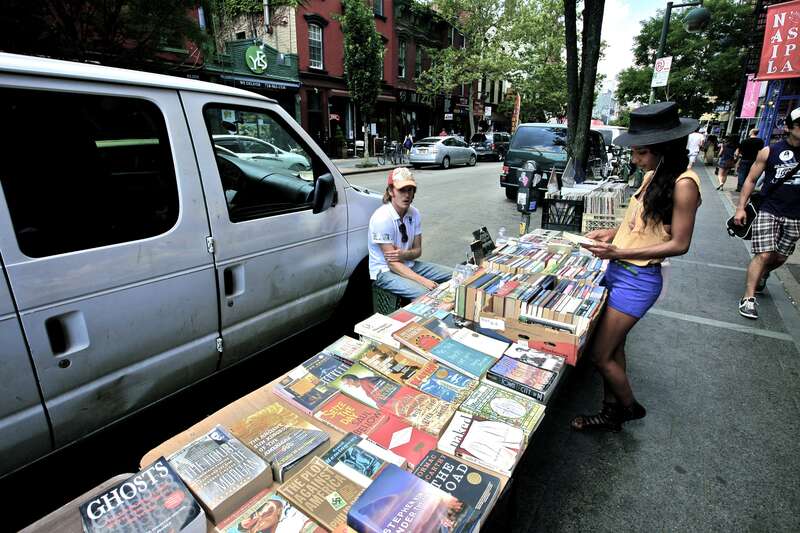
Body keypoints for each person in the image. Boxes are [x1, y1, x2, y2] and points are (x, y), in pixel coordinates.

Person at [570, 102, 702, 432]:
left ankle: (629, 407)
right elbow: (642, 226)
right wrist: (612, 233)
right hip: (619, 270)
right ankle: (610, 411)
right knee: (615, 348)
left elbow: (680, 244)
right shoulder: (653, 176)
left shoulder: (684, 184)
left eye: (641, 152)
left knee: (600, 355)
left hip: (637, 279)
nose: (634, 159)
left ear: (664, 149)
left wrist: (619, 252)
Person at [734, 108, 800, 320]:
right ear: (788, 127)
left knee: (780, 256)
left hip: (796, 214)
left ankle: (762, 273)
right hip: (769, 208)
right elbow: (751, 179)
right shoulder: (769, 151)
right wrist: (740, 207)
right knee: (764, 254)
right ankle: (748, 298)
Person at [368, 167, 452, 300]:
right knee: (427, 294)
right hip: (385, 271)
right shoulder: (382, 218)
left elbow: (418, 251)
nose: (407, 195)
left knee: (455, 275)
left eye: (410, 190)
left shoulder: (414, 213)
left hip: (408, 264)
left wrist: (403, 254)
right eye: (401, 190)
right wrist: (423, 281)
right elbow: (392, 263)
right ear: (391, 191)